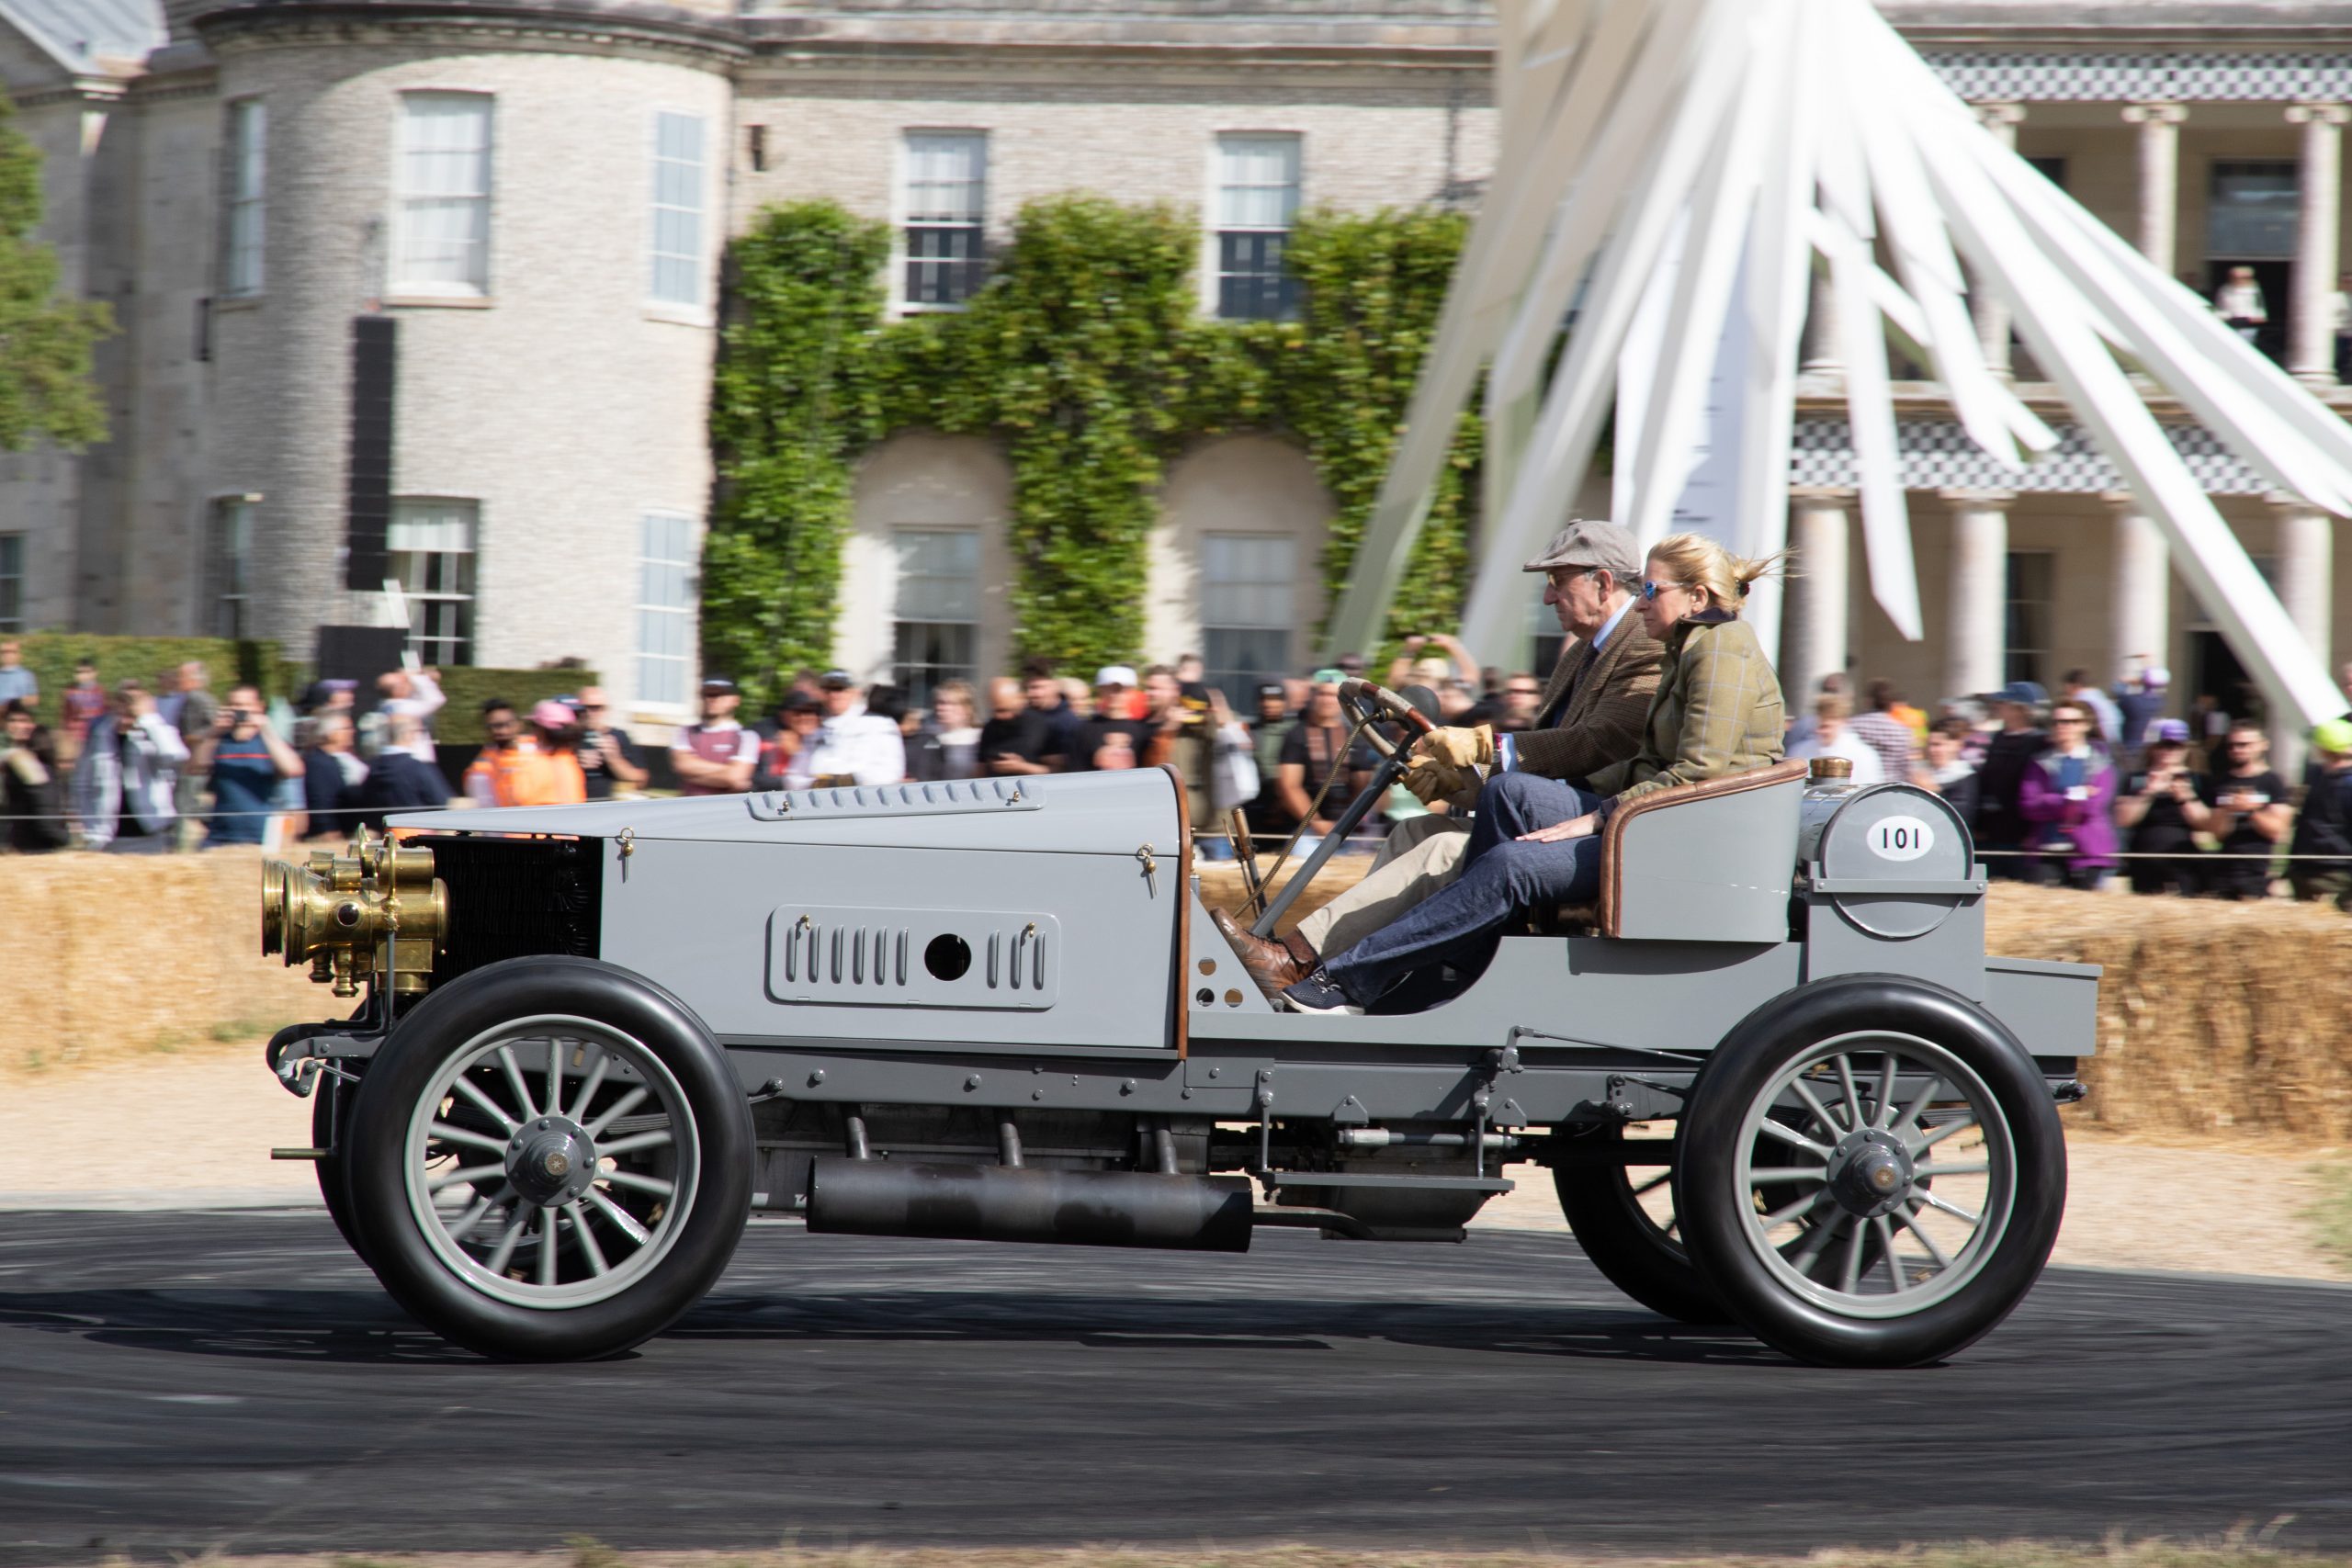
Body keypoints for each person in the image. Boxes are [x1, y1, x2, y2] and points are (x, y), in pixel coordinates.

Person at [1282, 533, 1785, 1015]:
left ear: (1697, 597)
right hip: (1654, 823)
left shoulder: (1718, 649)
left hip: (1677, 841)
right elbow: (1641, 766)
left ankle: (1353, 978)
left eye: (1651, 590)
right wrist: (1474, 786)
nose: (1641, 602)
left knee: (1509, 864)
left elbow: (1698, 772)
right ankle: (1465, 961)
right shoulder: (1687, 647)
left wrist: (1597, 817)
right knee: (1510, 790)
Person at [1215, 519, 1667, 996]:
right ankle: (1349, 973)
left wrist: (1484, 746)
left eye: (1557, 582)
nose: (1548, 598)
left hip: (1605, 828)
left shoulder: (1643, 641)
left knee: (1443, 850)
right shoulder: (1582, 654)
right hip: (1550, 814)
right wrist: (1462, 785)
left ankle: (1297, 960)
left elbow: (1604, 741)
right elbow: (1554, 753)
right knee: (1413, 829)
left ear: (1603, 583)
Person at [71, 679, 189, 853]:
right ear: (114, 705)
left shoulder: (157, 732)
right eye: (123, 703)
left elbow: (178, 756)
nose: (128, 710)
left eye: (133, 704)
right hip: (107, 838)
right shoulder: (100, 735)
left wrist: (149, 719)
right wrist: (89, 823)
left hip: (151, 834)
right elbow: (81, 783)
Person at [2017, 698, 2120, 889]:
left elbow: (2092, 807)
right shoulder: (2040, 762)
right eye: (2056, 722)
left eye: (2070, 722)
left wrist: (2049, 802)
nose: (2061, 727)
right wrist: (2074, 795)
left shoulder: (2101, 764)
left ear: (2085, 725)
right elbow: (2029, 806)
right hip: (2046, 850)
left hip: (2088, 853)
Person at [201, 683, 304, 847]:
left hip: (261, 834)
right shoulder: (219, 740)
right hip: (221, 835)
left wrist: (264, 728)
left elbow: (293, 769)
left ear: (259, 707)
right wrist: (214, 732)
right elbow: (194, 767)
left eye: (246, 705)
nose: (240, 710)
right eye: (234, 705)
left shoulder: (269, 741)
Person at [2114, 720, 2208, 897]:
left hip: (2182, 859)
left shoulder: (2197, 780)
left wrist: (2186, 798)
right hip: (2143, 858)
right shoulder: (2136, 779)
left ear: (2185, 748)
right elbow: (2123, 819)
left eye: (2176, 746)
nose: (2169, 751)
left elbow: (2205, 824)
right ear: (2152, 747)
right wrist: (2148, 793)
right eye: (2163, 745)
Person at [2200, 723, 2290, 899]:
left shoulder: (2273, 781)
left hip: (2257, 867)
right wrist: (2227, 811)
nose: (2236, 750)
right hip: (2224, 866)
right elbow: (2216, 834)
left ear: (2263, 745)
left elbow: (2278, 831)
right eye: (2231, 745)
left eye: (2243, 745)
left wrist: (2252, 811)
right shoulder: (2221, 782)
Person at [1975, 681, 2049, 879]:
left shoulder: (2039, 742)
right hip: (1989, 830)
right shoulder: (1998, 738)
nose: (1998, 706)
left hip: (2020, 833)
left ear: (2020, 709)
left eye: (2004, 702)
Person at [2289, 718, 2352, 910]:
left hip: (2329, 873)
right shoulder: (2318, 777)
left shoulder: (2318, 779)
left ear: (2322, 750)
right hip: (2320, 870)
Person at [802, 670, 907, 785]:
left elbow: (891, 771)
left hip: (862, 798)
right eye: (828, 690)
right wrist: (812, 783)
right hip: (817, 798)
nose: (833, 695)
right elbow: (798, 773)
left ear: (855, 692)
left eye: (840, 689)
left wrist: (847, 781)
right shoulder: (816, 729)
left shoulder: (878, 724)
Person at [354, 715, 449, 827]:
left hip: (385, 835)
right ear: (407, 734)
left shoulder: (372, 768)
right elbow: (441, 802)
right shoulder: (417, 767)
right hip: (417, 834)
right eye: (418, 731)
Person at [671, 676, 760, 795]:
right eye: (708, 695)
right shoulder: (685, 732)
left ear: (736, 700)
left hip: (725, 811)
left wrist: (691, 776)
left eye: (721, 695)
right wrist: (728, 772)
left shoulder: (746, 736)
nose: (713, 699)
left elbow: (736, 777)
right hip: (688, 809)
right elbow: (683, 765)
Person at [2, 701, 68, 852]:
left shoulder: (33, 754)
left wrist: (61, 837)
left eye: (23, 721)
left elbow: (46, 804)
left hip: (37, 845)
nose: (18, 726)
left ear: (31, 724)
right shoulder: (11, 754)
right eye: (13, 721)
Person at [1787, 693, 1887, 784]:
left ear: (1842, 722)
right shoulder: (1800, 751)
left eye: (1826, 726)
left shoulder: (1863, 755)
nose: (1819, 731)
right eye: (1817, 725)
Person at [299, 711, 369, 841]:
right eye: (346, 728)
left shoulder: (345, 758)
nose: (352, 731)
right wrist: (327, 830)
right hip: (331, 834)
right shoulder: (318, 763)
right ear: (329, 734)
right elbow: (320, 800)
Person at [508, 699, 587, 807]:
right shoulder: (572, 758)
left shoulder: (528, 759)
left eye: (534, 725)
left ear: (541, 730)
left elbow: (518, 797)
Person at [572, 687, 645, 800]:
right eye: (584, 708)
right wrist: (576, 761)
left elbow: (640, 779)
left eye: (596, 708)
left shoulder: (618, 736)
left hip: (606, 805)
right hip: (573, 803)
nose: (589, 713)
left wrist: (613, 759)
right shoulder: (569, 736)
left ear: (605, 710)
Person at [463, 700, 537, 807]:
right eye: (495, 726)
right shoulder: (480, 769)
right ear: (487, 729)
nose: (502, 730)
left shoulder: (538, 750)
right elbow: (484, 805)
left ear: (519, 725)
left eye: (507, 724)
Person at [1078, 666, 1152, 772]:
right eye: (1109, 688)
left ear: (1130, 692)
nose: (1114, 694)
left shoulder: (1143, 730)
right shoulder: (1083, 729)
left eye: (1120, 689)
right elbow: (1078, 770)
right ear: (1100, 690)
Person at [908, 680, 984, 782]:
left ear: (967, 708)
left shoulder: (978, 739)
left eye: (949, 703)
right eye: (938, 703)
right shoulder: (928, 738)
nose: (941, 708)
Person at [1913, 717, 1981, 829]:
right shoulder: (1922, 773)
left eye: (1938, 745)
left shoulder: (1964, 775)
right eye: (1929, 744)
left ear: (1956, 745)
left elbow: (1960, 818)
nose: (1932, 750)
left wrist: (1932, 792)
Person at [754, 690, 823, 792]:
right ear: (784, 714)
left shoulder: (825, 740)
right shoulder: (768, 738)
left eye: (811, 712)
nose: (804, 717)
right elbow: (756, 779)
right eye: (798, 712)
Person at [376, 666, 447, 765]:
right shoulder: (405, 708)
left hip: (399, 760)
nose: (408, 684)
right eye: (404, 683)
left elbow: (417, 698)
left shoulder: (386, 705)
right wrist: (417, 677)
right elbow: (436, 699)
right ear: (398, 690)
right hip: (414, 760)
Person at [1849, 680, 1917, 782]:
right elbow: (1907, 767)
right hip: (1889, 787)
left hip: (1859, 785)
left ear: (1868, 701)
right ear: (1891, 703)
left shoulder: (1853, 725)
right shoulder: (1902, 730)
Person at [56, 660, 107, 765]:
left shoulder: (100, 691)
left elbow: (104, 713)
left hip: (94, 736)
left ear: (94, 673)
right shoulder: (70, 691)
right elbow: (65, 715)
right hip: (75, 736)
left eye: (86, 672)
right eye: (79, 672)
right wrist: (66, 735)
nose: (82, 676)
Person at [2113, 665, 2168, 759]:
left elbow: (2117, 691)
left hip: (2129, 748)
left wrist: (2126, 681)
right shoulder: (2160, 701)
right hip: (2146, 750)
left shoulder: (2132, 701)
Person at [2063, 669, 2123, 746]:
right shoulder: (2100, 697)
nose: (2066, 692)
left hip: (2099, 744)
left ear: (2074, 686)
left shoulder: (2081, 699)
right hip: (2115, 742)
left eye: (2067, 688)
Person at [2215, 265, 2268, 346]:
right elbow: (2220, 305)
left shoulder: (2254, 289)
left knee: (2245, 343)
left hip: (2249, 321)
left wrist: (2260, 316)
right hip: (2230, 320)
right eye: (2236, 277)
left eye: (2244, 277)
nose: (2239, 280)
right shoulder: (2224, 289)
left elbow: (2260, 305)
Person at [0, 639, 37, 710]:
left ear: (19, 655)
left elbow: (34, 699)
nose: (8, 655)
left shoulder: (27, 675)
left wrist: (11, 704)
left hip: (17, 715)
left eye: (12, 652)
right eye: (4, 652)